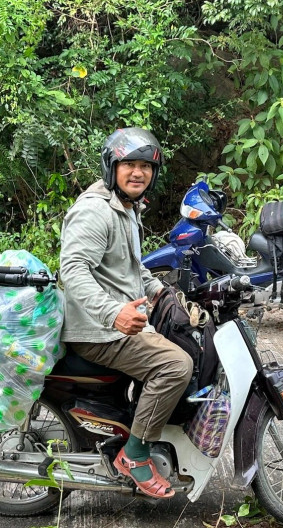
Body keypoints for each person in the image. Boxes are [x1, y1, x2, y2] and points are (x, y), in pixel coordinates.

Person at [59, 127, 193, 499]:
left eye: (145, 166)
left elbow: (133, 270)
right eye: (129, 164)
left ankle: (135, 426)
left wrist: (162, 291)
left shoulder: (126, 209)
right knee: (175, 365)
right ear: (112, 167)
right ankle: (134, 456)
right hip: (98, 331)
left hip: (120, 323)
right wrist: (113, 313)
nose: (138, 173)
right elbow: (72, 271)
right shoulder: (95, 211)